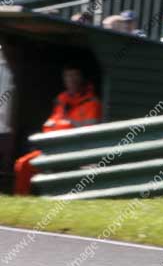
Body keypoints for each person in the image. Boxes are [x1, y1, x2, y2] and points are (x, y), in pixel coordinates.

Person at [13, 65, 102, 195]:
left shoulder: (92, 103)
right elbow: (51, 125)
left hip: (73, 154)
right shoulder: (61, 100)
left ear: (82, 78)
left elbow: (89, 137)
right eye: (67, 76)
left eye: (75, 75)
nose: (71, 79)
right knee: (22, 164)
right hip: (49, 150)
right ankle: (20, 200)